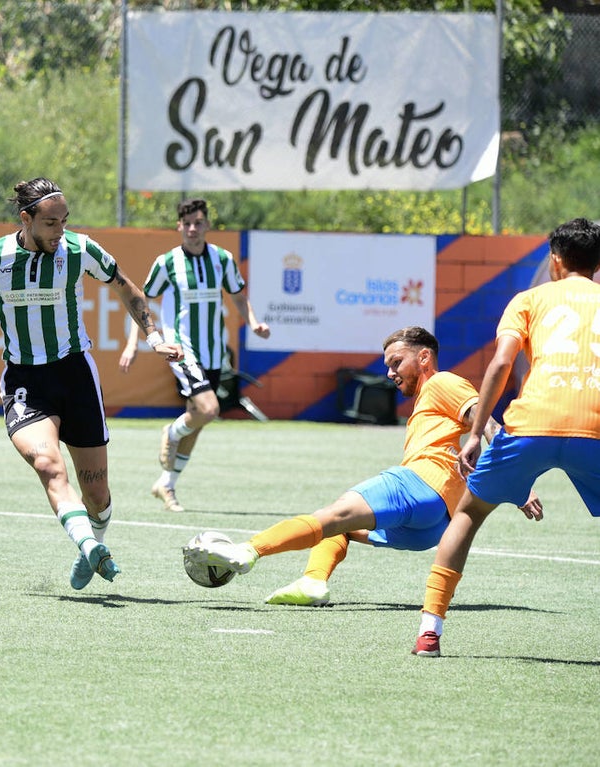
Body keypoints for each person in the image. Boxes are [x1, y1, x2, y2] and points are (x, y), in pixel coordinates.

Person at [182, 326, 540, 607]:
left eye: (396, 362)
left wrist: (519, 485)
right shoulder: (428, 397)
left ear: (425, 357)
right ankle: (312, 582)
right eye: (387, 365)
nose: (390, 372)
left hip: (419, 484)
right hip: (431, 527)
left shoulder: (444, 382)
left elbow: (488, 425)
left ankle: (248, 550)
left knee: (333, 514)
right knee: (343, 528)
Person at [0, 178, 182, 590]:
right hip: (24, 379)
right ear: (26, 219)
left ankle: (94, 540)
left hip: (75, 375)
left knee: (97, 494)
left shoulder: (80, 250)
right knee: (47, 465)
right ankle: (89, 547)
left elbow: (126, 288)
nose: (60, 232)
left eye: (64, 221)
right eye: (51, 223)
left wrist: (154, 337)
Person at [413, 217, 600, 657]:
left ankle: (429, 630)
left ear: (555, 260)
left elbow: (500, 365)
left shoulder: (528, 299)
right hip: (593, 427)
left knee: (469, 513)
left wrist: (477, 433)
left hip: (529, 424)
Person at [119, 199, 270, 512]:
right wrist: (134, 343)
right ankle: (170, 431)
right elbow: (141, 303)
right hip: (181, 348)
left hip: (214, 352)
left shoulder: (223, 260)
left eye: (198, 222)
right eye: (186, 223)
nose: (192, 229)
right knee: (209, 409)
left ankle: (167, 484)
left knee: (198, 420)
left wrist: (253, 322)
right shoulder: (167, 262)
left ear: (207, 225)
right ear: (178, 226)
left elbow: (238, 297)